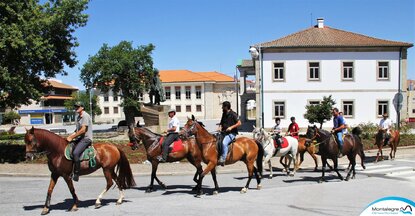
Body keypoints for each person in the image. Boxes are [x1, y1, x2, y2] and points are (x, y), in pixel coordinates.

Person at [66, 102, 93, 182]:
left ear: (82, 108)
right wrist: (69, 136)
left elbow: (83, 130)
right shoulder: (78, 117)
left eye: (78, 107)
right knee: (68, 147)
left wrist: (72, 137)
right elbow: (77, 130)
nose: (76, 108)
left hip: (86, 139)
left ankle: (77, 173)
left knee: (75, 153)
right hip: (80, 138)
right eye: (75, 107)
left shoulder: (85, 116)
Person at [218, 101, 241, 166]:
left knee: (224, 143)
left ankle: (223, 159)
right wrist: (219, 127)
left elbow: (239, 123)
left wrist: (231, 127)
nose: (222, 108)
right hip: (224, 132)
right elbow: (221, 122)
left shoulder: (233, 114)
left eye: (223, 106)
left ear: (226, 107)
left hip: (232, 133)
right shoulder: (224, 113)